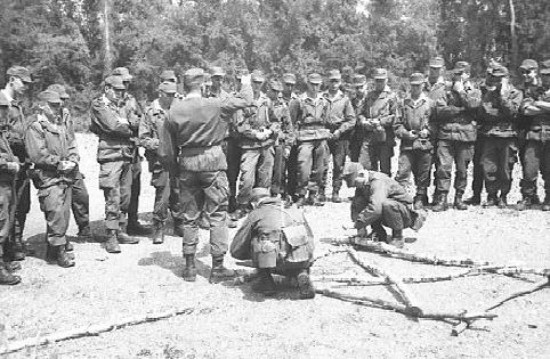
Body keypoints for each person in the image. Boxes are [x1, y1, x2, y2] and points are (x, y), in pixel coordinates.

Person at [159, 67, 252, 283]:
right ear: (202, 84)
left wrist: (176, 170)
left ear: (183, 85)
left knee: (189, 216)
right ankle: (217, 267)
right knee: (218, 214)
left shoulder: (174, 110)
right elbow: (246, 99)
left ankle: (190, 267)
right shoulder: (215, 105)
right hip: (213, 162)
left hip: (188, 165)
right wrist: (245, 82)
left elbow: (166, 151)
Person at [25, 90, 79, 268]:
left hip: (65, 174)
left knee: (63, 212)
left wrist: (72, 159)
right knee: (54, 210)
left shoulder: (59, 123)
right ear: (42, 105)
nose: (58, 108)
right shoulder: (35, 126)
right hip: (48, 176)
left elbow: (71, 142)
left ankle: (53, 249)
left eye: (59, 105)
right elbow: (38, 155)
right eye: (53, 105)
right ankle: (59, 251)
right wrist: (59, 163)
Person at [230, 187, 315, 299]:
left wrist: (246, 255)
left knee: (258, 241)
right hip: (302, 258)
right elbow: (310, 237)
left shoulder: (257, 213)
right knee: (296, 243)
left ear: (254, 202)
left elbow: (239, 243)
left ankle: (266, 282)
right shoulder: (293, 208)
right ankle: (301, 273)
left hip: (276, 258)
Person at [90, 75, 140, 253]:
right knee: (112, 195)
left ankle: (121, 229)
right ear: (107, 89)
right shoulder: (99, 105)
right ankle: (111, 234)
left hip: (126, 153)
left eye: (122, 91)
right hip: (110, 155)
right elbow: (112, 126)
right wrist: (127, 125)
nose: (120, 94)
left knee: (126, 196)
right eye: (117, 90)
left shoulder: (124, 103)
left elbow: (137, 121)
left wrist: (126, 123)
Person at [432, 61, 481, 211]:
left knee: (462, 169)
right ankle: (442, 198)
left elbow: (473, 106)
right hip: (446, 134)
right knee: (443, 168)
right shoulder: (445, 89)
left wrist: (461, 92)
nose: (458, 77)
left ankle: (459, 198)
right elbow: (439, 110)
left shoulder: (474, 90)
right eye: (456, 73)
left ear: (468, 74)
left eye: (461, 73)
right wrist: (461, 109)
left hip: (465, 136)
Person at [343, 162, 427, 248]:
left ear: (361, 175)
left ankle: (398, 237)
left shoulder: (377, 182)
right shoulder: (364, 183)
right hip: (389, 213)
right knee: (360, 201)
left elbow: (376, 209)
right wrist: (360, 229)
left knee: (386, 204)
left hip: (405, 216)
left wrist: (358, 223)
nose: (355, 187)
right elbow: (356, 205)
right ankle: (379, 234)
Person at [47, 84, 91, 240]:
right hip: (55, 166)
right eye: (61, 100)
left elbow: (71, 139)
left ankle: (84, 228)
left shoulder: (66, 115)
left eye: (64, 100)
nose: (63, 103)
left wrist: (74, 157)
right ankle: (57, 239)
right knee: (57, 204)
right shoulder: (45, 118)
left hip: (71, 164)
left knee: (81, 196)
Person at [111, 67, 151, 235]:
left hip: (133, 151)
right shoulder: (109, 100)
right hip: (116, 152)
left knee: (135, 188)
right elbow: (115, 125)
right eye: (124, 81)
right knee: (120, 191)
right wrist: (133, 123)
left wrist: (135, 123)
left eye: (128, 82)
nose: (127, 85)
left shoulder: (131, 99)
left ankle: (132, 222)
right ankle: (119, 226)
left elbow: (142, 120)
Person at [0, 66, 32, 262]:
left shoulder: (17, 105)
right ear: (12, 79)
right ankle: (7, 249)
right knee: (4, 207)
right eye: (23, 82)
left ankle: (14, 243)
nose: (26, 87)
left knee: (20, 205)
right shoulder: (3, 104)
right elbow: (7, 136)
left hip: (20, 162)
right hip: (8, 162)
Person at [478, 65, 523, 207]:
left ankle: (503, 196)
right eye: (495, 78)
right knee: (488, 166)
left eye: (500, 79)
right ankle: (491, 195)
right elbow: (485, 112)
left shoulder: (516, 93)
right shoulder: (489, 93)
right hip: (491, 134)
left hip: (508, 135)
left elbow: (512, 112)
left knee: (506, 168)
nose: (496, 81)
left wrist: (503, 97)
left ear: (507, 78)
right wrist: (501, 114)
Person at [140, 81, 179, 244]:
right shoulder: (150, 112)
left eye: (173, 95)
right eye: (169, 94)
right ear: (160, 93)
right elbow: (142, 138)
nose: (172, 98)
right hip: (159, 159)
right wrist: (158, 144)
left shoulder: (178, 109)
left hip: (177, 157)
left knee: (178, 191)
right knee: (162, 193)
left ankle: (179, 222)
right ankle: (159, 226)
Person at [234, 70, 275, 214]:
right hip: (249, 145)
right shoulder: (243, 100)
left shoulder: (267, 100)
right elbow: (240, 125)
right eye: (254, 82)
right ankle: (242, 204)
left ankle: (260, 204)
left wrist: (270, 131)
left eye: (260, 82)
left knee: (265, 176)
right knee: (247, 178)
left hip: (266, 144)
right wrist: (255, 134)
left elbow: (275, 120)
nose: (257, 85)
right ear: (250, 82)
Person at [394, 73, 435, 209]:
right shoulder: (403, 103)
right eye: (413, 85)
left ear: (423, 85)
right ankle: (400, 198)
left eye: (418, 85)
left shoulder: (430, 103)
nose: (415, 88)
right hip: (408, 145)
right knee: (403, 171)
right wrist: (405, 134)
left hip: (424, 144)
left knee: (423, 173)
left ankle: (421, 196)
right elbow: (397, 124)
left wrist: (428, 131)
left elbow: (436, 123)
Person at [289, 73, 330, 207]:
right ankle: (301, 194)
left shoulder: (324, 101)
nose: (314, 87)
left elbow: (327, 120)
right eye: (312, 84)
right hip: (305, 138)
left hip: (321, 137)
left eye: (317, 84)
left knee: (319, 169)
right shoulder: (299, 101)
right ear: (308, 83)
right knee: (303, 168)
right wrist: (293, 138)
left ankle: (313, 194)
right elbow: (292, 122)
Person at [519, 59, 550, 211]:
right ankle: (528, 197)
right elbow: (525, 109)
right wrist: (546, 107)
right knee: (529, 167)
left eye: (549, 75)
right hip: (534, 133)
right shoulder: (532, 89)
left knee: (549, 169)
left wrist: (538, 104)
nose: (546, 78)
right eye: (544, 75)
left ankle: (549, 199)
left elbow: (533, 107)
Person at [322, 69, 356, 203]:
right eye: (331, 81)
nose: (334, 84)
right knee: (322, 164)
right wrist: (324, 131)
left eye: (336, 81)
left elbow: (352, 120)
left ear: (340, 82)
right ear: (327, 82)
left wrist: (340, 130)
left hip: (340, 135)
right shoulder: (322, 97)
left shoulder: (345, 99)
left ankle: (335, 191)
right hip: (325, 133)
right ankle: (320, 191)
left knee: (338, 165)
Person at [357, 68, 398, 176]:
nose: (379, 83)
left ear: (386, 80)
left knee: (385, 167)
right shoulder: (369, 96)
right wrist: (363, 121)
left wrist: (380, 121)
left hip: (384, 135)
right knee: (366, 165)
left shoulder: (392, 96)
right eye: (377, 80)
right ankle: (368, 190)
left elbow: (396, 116)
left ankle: (384, 191)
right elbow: (360, 113)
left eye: (382, 80)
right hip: (369, 135)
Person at [0, 93, 22, 284]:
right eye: (2, 108)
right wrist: (8, 165)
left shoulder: (2, 130)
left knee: (6, 220)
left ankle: (3, 261)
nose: (6, 112)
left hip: (6, 183)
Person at [265, 79, 294, 205]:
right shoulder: (262, 103)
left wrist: (288, 146)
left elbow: (289, 128)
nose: (276, 94)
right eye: (273, 91)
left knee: (278, 171)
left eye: (278, 92)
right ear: (268, 90)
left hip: (278, 142)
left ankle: (275, 195)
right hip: (262, 142)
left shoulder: (283, 107)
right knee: (263, 171)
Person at [349, 74, 368, 163]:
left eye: (361, 87)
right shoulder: (351, 102)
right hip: (354, 137)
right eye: (357, 88)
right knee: (354, 163)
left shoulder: (371, 100)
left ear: (366, 85)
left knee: (367, 164)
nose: (359, 90)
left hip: (368, 136)